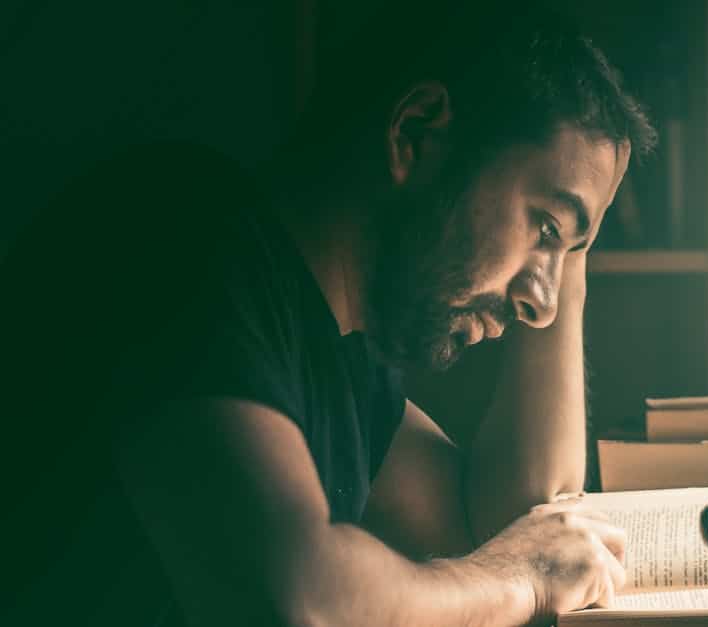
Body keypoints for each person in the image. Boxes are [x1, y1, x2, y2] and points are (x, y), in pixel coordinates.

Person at [0, 3, 656, 626]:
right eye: (542, 224)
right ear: (416, 133)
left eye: (568, 251)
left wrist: (571, 253)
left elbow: (511, 524)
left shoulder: (343, 361)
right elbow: (296, 600)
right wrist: (523, 577)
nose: (540, 300)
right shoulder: (182, 245)